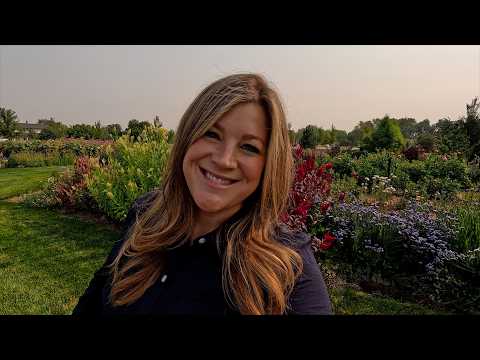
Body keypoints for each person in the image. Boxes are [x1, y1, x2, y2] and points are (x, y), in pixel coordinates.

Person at [72, 73, 332, 315]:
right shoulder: (146, 215)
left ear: (268, 165)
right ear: (187, 138)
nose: (224, 160)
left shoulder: (290, 267)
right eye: (211, 134)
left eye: (249, 147)